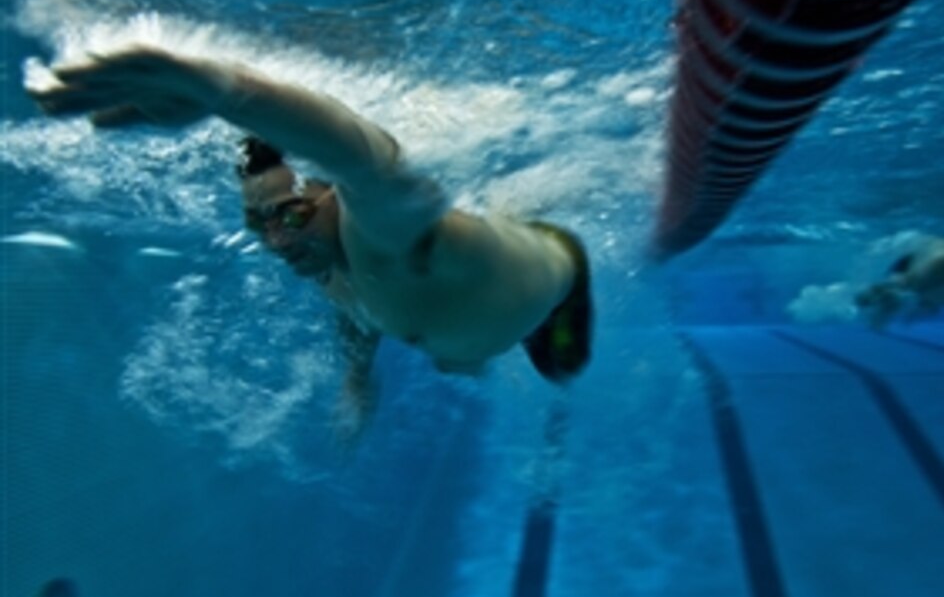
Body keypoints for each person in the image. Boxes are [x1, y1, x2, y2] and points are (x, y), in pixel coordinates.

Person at [27, 44, 593, 437]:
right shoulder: (324, 258)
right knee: (458, 360)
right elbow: (354, 309)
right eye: (259, 224)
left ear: (336, 199)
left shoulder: (381, 232)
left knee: (560, 369)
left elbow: (364, 159)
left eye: (291, 216)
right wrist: (355, 380)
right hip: (460, 311)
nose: (275, 241)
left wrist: (225, 92)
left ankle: (526, 255)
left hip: (555, 281)